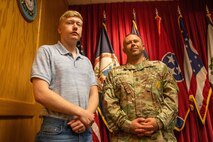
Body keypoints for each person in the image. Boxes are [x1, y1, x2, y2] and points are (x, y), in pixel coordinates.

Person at [31, 10, 99, 142]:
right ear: (59, 29)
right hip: (57, 130)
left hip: (85, 129)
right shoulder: (46, 51)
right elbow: (40, 93)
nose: (75, 26)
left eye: (79, 24)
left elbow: (94, 93)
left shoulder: (86, 61)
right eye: (69, 23)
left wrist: (86, 117)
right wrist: (81, 113)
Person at [102, 33, 178, 142]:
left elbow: (172, 98)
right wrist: (127, 125)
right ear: (123, 50)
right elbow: (109, 103)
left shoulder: (160, 68)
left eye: (135, 41)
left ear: (143, 46)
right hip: (126, 137)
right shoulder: (114, 74)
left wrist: (159, 121)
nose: (132, 44)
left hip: (159, 136)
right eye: (128, 43)